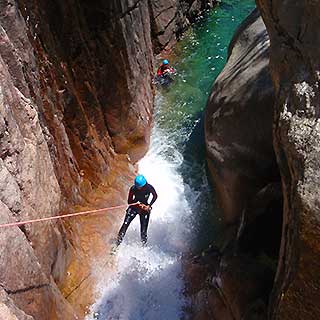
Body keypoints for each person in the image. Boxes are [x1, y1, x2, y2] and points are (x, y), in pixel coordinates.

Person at [116, 174, 158, 246]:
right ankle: (117, 244)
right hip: (134, 207)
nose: (139, 188)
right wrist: (138, 205)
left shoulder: (149, 188)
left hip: (144, 209)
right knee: (125, 225)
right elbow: (129, 202)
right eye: (138, 187)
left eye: (141, 187)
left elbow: (155, 196)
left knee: (143, 231)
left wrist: (149, 206)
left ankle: (144, 246)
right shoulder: (133, 189)